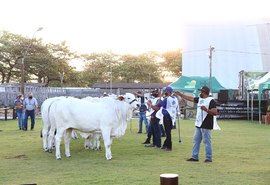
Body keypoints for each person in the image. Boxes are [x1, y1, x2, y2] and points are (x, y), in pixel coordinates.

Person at [175, 86, 220, 162]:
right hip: (198, 124)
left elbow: (215, 112)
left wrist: (206, 109)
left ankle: (208, 158)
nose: (200, 93)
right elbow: (190, 98)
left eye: (201, 92)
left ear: (205, 92)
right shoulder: (200, 99)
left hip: (206, 123)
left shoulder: (211, 101)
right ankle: (194, 157)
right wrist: (180, 94)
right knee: (196, 140)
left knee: (206, 141)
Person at [147, 86, 178, 151]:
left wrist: (150, 104)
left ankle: (169, 147)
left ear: (168, 92)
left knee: (168, 132)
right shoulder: (175, 98)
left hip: (167, 116)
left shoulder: (167, 99)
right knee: (168, 131)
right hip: (172, 116)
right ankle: (165, 145)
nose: (164, 92)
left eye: (165, 91)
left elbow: (158, 106)